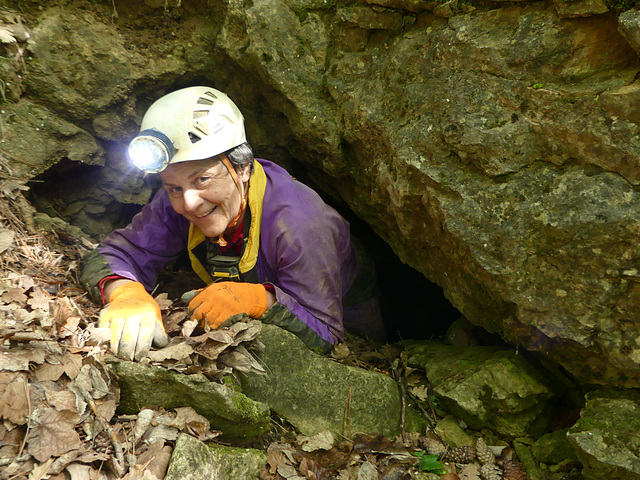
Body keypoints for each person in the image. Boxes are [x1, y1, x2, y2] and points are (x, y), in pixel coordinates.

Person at [80, 86, 386, 361]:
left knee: (369, 351)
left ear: (242, 168)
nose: (188, 203)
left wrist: (259, 301)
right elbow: (118, 253)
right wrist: (126, 293)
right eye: (173, 187)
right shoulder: (181, 201)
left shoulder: (300, 226)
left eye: (202, 179)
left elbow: (328, 333)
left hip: (345, 300)